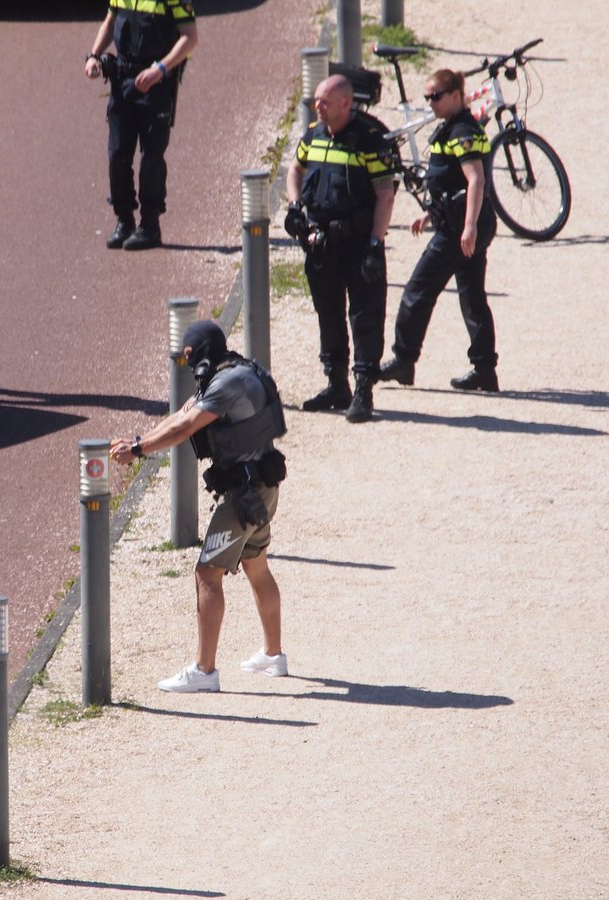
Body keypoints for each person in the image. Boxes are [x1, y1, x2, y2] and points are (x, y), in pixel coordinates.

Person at [109, 321, 288, 692]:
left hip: (245, 494)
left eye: (190, 356)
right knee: (256, 564)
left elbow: (185, 427)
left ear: (203, 352)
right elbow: (181, 415)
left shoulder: (225, 384)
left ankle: (204, 672)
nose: (189, 365)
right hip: (264, 485)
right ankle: (273, 657)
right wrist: (138, 441)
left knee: (207, 573)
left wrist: (138, 450)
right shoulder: (234, 370)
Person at [285, 74, 397, 423]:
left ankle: (363, 389)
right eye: (316, 100)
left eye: (324, 101)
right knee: (328, 313)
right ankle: (336, 384)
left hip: (359, 242)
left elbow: (385, 194)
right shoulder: (314, 135)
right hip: (321, 244)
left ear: (346, 103)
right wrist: (294, 207)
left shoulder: (370, 139)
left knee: (365, 316)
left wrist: (376, 243)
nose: (317, 106)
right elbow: (295, 170)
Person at [379, 68, 499, 392]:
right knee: (472, 296)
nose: (430, 102)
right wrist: (430, 214)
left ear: (456, 96)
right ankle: (485, 370)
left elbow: (476, 180)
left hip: (460, 228)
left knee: (417, 291)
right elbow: (451, 184)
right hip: (460, 222)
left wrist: (469, 227)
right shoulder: (453, 127)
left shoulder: (463, 131)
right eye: (427, 97)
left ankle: (403, 359)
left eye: (436, 96)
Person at [83, 0, 198, 251]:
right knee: (118, 154)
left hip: (156, 86)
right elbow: (110, 21)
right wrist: (94, 56)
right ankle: (124, 221)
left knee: (151, 158)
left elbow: (190, 37)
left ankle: (150, 226)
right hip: (122, 82)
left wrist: (160, 69)